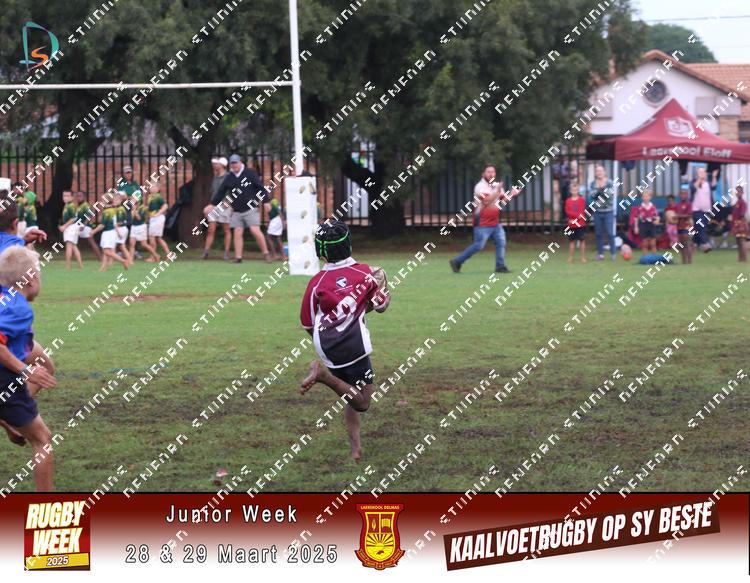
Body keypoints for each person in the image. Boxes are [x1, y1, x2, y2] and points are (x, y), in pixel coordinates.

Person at [299, 220, 389, 460]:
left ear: (320, 251)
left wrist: (328, 340)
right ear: (348, 244)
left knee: (349, 393)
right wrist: (386, 293)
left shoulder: (316, 282)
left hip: (328, 348)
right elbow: (380, 306)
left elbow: (307, 323)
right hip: (355, 347)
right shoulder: (365, 272)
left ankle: (355, 449)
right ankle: (323, 376)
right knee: (362, 402)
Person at [0, 245, 58, 490]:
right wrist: (26, 371)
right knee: (42, 439)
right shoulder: (19, 308)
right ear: (31, 280)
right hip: (4, 379)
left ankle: (11, 420)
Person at [449, 164, 519, 273]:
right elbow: (486, 201)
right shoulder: (480, 186)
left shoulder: (497, 186)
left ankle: (500, 266)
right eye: (488, 172)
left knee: (501, 242)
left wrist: (511, 194)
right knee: (478, 245)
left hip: (494, 222)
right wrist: (497, 191)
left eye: (493, 172)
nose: (491, 174)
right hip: (482, 222)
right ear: (483, 174)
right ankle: (457, 261)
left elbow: (502, 201)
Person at [205, 153, 271, 264]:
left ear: (240, 163)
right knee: (237, 232)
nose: (234, 165)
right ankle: (238, 257)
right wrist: (212, 204)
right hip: (236, 210)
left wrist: (266, 201)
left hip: (251, 208)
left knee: (255, 230)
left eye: (236, 163)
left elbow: (260, 187)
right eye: (232, 163)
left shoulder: (250, 174)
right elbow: (221, 192)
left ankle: (266, 253)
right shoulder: (229, 177)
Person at [202, 157, 232, 260]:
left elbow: (232, 192)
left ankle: (226, 252)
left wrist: (228, 203)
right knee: (211, 229)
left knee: (226, 229)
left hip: (225, 205)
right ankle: (206, 252)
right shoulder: (215, 177)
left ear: (222, 165)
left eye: (217, 164)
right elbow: (214, 192)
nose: (214, 165)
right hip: (214, 205)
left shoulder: (228, 177)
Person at [91, 196, 129, 272]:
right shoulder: (112, 210)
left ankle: (123, 261)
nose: (101, 202)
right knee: (106, 251)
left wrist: (93, 231)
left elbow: (102, 225)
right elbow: (114, 223)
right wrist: (118, 233)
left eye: (102, 201)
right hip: (111, 232)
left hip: (108, 233)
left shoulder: (107, 211)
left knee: (106, 251)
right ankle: (103, 268)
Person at [588, 165, 617, 260]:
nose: (599, 172)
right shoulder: (593, 183)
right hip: (597, 211)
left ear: (604, 172)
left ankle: (613, 254)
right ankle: (600, 254)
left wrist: (602, 190)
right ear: (596, 173)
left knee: (610, 232)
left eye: (601, 171)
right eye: (597, 171)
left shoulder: (610, 182)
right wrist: (599, 190)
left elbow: (610, 195)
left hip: (609, 211)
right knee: (598, 233)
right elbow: (592, 195)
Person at [690, 167, 718, 252]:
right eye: (700, 172)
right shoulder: (693, 182)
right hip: (697, 210)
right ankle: (705, 244)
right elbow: (693, 188)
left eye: (704, 172)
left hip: (707, 210)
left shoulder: (707, 183)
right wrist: (699, 179)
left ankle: (694, 243)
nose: (702, 174)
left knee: (698, 227)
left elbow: (714, 187)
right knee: (701, 226)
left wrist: (714, 176)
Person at [128, 193, 160, 263]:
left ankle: (156, 255)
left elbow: (139, 218)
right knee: (131, 244)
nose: (132, 200)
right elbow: (131, 218)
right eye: (132, 198)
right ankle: (130, 260)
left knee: (144, 244)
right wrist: (133, 210)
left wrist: (134, 210)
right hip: (134, 226)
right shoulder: (132, 207)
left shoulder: (143, 207)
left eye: (133, 198)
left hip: (141, 227)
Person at [75, 191, 102, 261]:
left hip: (85, 227)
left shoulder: (85, 205)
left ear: (84, 197)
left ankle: (100, 258)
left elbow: (90, 215)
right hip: (78, 227)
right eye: (77, 196)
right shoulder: (79, 206)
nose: (78, 198)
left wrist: (84, 225)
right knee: (71, 242)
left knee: (92, 243)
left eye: (80, 196)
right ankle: (74, 259)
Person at [59, 191, 83, 269]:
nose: (65, 197)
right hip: (71, 227)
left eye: (68, 196)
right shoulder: (67, 205)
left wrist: (64, 226)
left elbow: (73, 218)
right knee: (73, 246)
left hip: (71, 227)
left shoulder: (71, 206)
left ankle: (68, 265)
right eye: (64, 196)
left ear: (72, 197)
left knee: (69, 246)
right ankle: (80, 265)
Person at [564, 179, 587, 263]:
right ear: (570, 191)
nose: (574, 191)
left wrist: (575, 218)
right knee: (571, 241)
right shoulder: (567, 201)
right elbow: (567, 211)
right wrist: (574, 218)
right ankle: (570, 257)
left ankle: (583, 257)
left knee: (582, 241)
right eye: (573, 190)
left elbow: (581, 212)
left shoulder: (582, 200)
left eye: (576, 190)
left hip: (580, 224)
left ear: (578, 190)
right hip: (571, 225)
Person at [146, 181, 170, 257]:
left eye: (153, 187)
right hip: (154, 219)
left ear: (158, 189)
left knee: (151, 237)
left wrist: (157, 214)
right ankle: (169, 254)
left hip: (157, 219)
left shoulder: (157, 197)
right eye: (150, 187)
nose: (151, 188)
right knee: (158, 238)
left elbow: (165, 206)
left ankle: (153, 256)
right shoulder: (150, 197)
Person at [674, 188, 694, 264]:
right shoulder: (678, 205)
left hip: (687, 226)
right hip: (679, 226)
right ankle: (684, 261)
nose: (683, 195)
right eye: (681, 194)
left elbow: (689, 215)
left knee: (687, 243)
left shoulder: (689, 204)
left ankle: (689, 261)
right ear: (679, 195)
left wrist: (678, 216)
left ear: (687, 195)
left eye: (684, 194)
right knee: (681, 244)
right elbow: (675, 215)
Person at [729, 185, 748, 262]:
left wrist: (741, 226)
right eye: (736, 192)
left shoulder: (743, 203)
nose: (737, 193)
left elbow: (742, 215)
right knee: (738, 242)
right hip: (736, 225)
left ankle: (744, 259)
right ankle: (740, 259)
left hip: (741, 225)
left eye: (739, 192)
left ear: (742, 192)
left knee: (742, 242)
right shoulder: (737, 202)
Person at [115, 193, 134, 266]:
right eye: (114, 200)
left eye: (117, 200)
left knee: (119, 246)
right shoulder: (120, 207)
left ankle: (128, 261)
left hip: (121, 228)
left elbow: (120, 221)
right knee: (121, 246)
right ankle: (130, 261)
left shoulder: (121, 208)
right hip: (122, 228)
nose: (115, 201)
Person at [266, 195, 286, 261]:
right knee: (277, 238)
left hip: (276, 220)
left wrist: (283, 222)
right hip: (276, 220)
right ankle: (283, 256)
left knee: (269, 237)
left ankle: (275, 255)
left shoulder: (272, 203)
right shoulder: (274, 201)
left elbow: (278, 211)